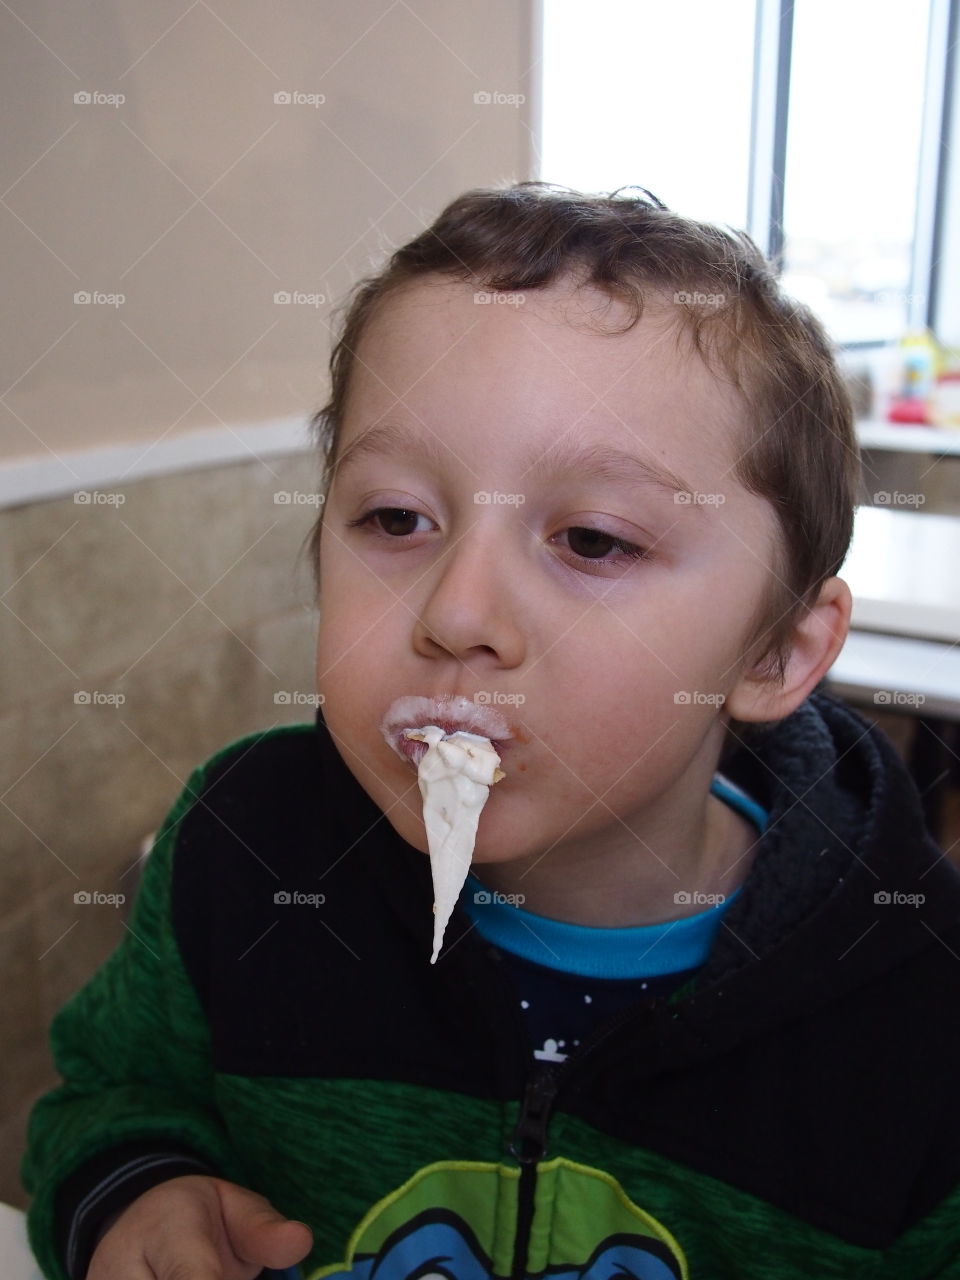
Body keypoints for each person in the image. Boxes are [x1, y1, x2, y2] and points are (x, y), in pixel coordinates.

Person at [22, 183, 960, 1280]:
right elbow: (107, 1095)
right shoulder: (240, 850)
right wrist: (136, 1189)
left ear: (777, 652)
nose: (456, 612)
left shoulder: (918, 1021)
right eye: (395, 518)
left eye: (596, 541)